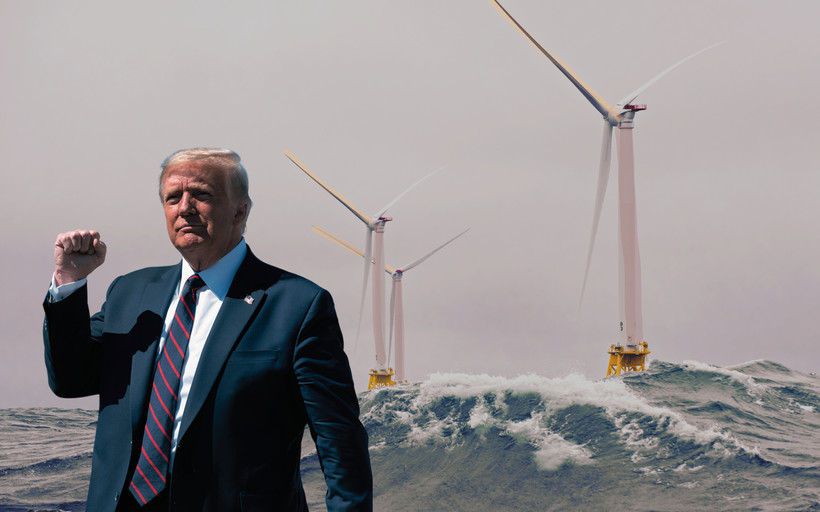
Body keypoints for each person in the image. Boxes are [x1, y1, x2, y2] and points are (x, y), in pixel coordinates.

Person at [42, 148, 372, 512]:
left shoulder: (298, 306)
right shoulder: (130, 293)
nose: (184, 208)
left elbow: (339, 443)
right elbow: (70, 380)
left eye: (201, 194)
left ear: (240, 211)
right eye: (172, 198)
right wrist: (68, 280)